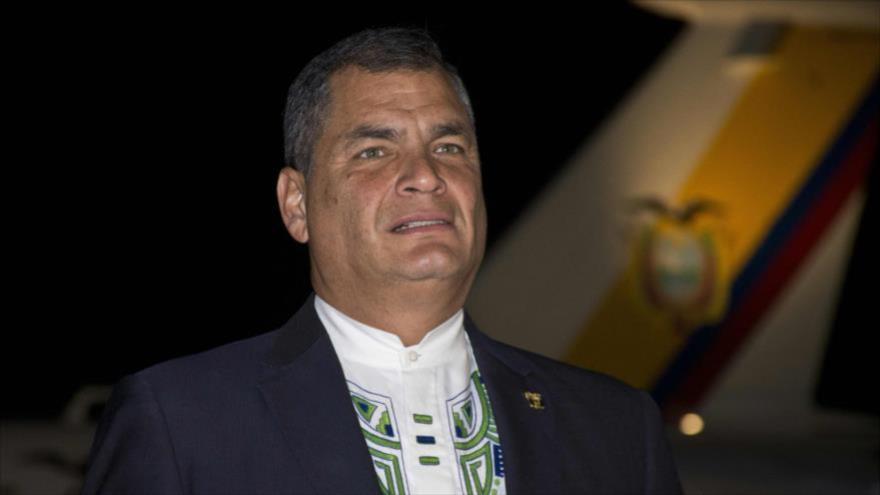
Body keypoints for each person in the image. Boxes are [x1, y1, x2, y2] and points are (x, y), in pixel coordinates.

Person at [82, 27, 682, 495]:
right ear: (297, 205)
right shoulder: (180, 420)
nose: (426, 175)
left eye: (449, 147)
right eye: (374, 150)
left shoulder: (616, 426)